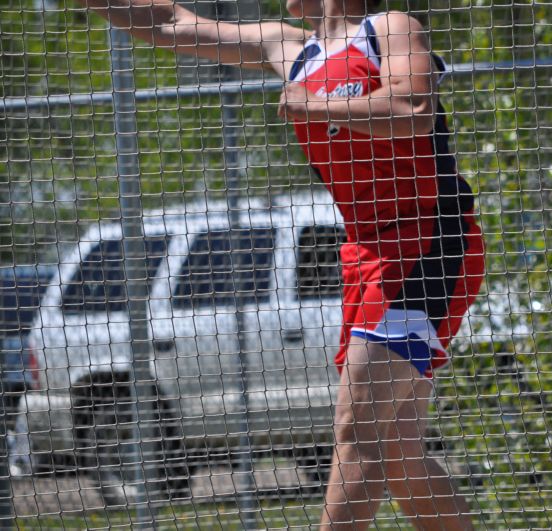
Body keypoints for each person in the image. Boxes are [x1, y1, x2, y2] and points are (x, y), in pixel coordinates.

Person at [78, 0, 485, 527]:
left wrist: (316, 107)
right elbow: (169, 21)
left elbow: (413, 110)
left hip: (428, 238)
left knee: (356, 430)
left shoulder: (386, 29)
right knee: (398, 457)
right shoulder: (290, 47)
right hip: (366, 253)